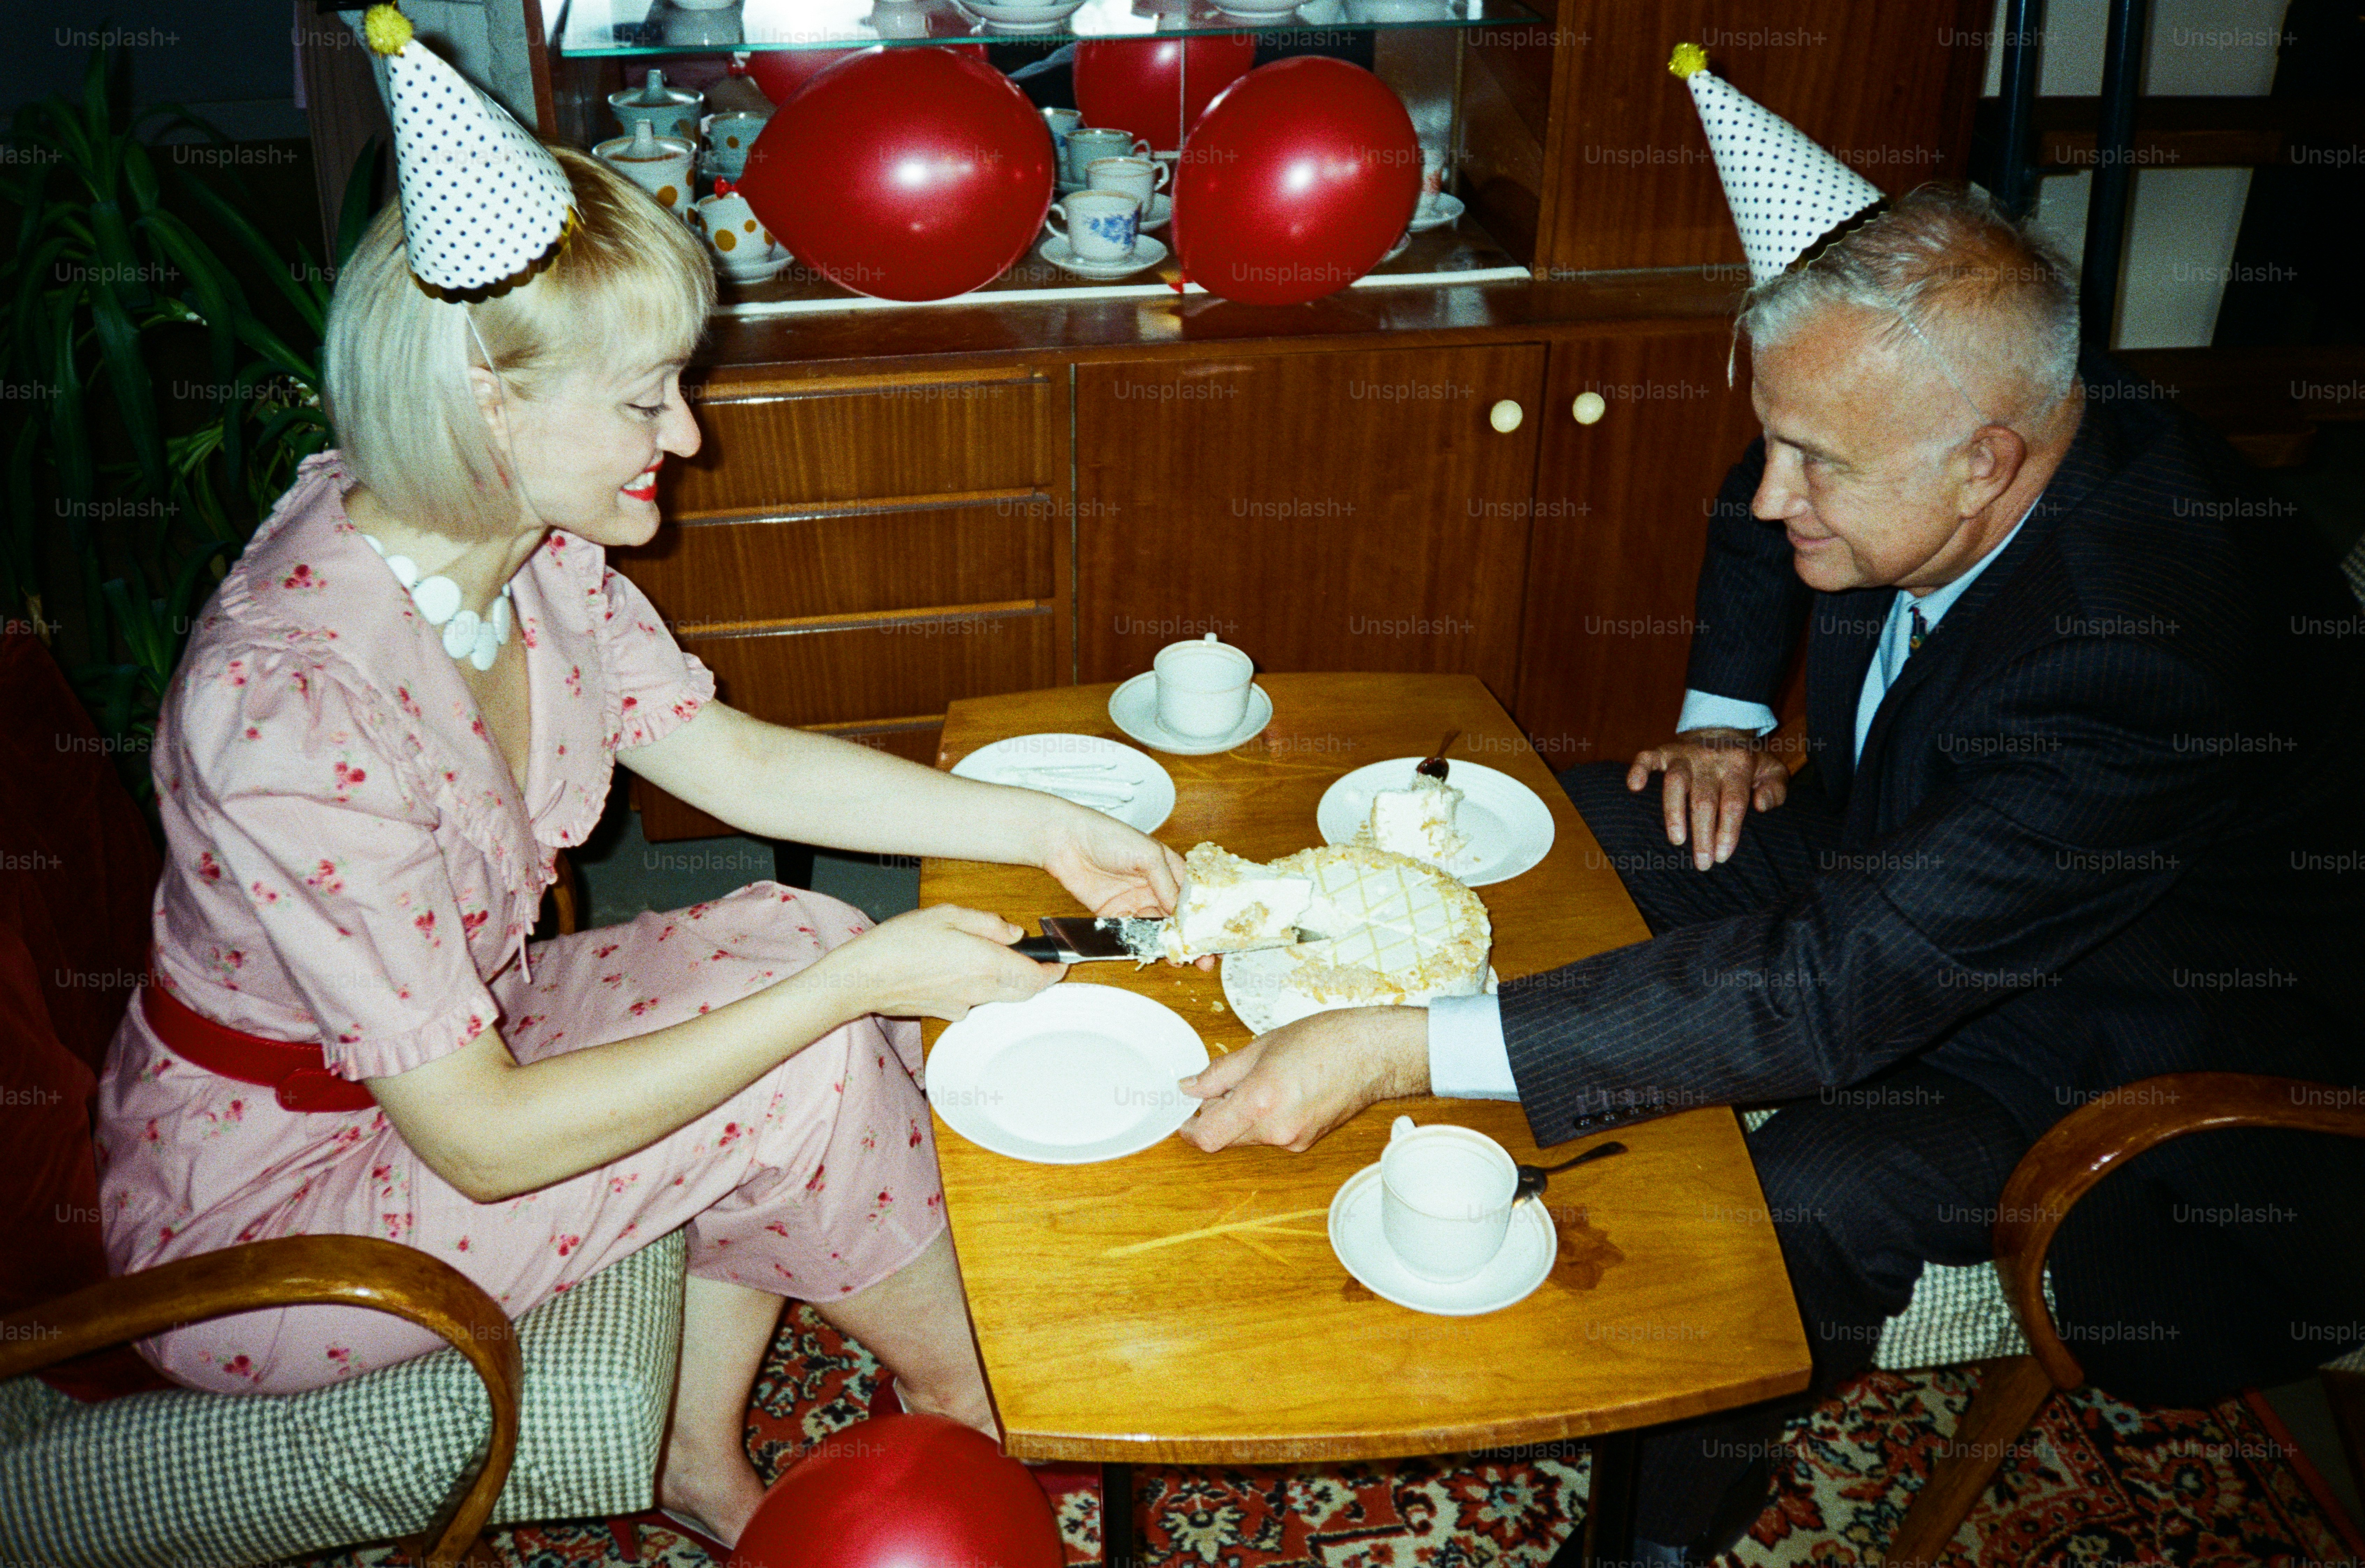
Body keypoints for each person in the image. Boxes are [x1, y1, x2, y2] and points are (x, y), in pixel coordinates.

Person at [1174, 180, 2365, 1563]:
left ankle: (1665, 1527)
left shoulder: (2138, 652)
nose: (1765, 493)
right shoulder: (1968, 408)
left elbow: (1831, 987)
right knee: (1553, 835)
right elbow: (1770, 505)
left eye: (1815, 464)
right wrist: (1720, 720)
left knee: (1800, 1198)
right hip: (1921, 844)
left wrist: (1400, 1051)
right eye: (1774, 437)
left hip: (2122, 1023)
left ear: (1983, 462)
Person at [91, 128, 1189, 1548]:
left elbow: (727, 759)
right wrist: (849, 995)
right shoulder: (295, 711)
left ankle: (695, 1451)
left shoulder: (509, 549)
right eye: (642, 401)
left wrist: (1044, 822)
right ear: (486, 403)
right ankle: (977, 1410)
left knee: (803, 931)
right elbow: (483, 1144)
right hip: (273, 1210)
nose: (684, 436)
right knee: (806, 1034)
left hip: (439, 1053)